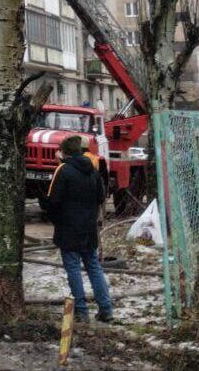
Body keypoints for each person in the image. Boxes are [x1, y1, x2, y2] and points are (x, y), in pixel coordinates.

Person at [44, 135, 115, 324]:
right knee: (94, 267)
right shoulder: (92, 170)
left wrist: (57, 221)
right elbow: (101, 197)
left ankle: (81, 311)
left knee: (73, 269)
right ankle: (106, 308)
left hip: (68, 229)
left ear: (65, 152)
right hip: (89, 228)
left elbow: (53, 202)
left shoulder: (63, 171)